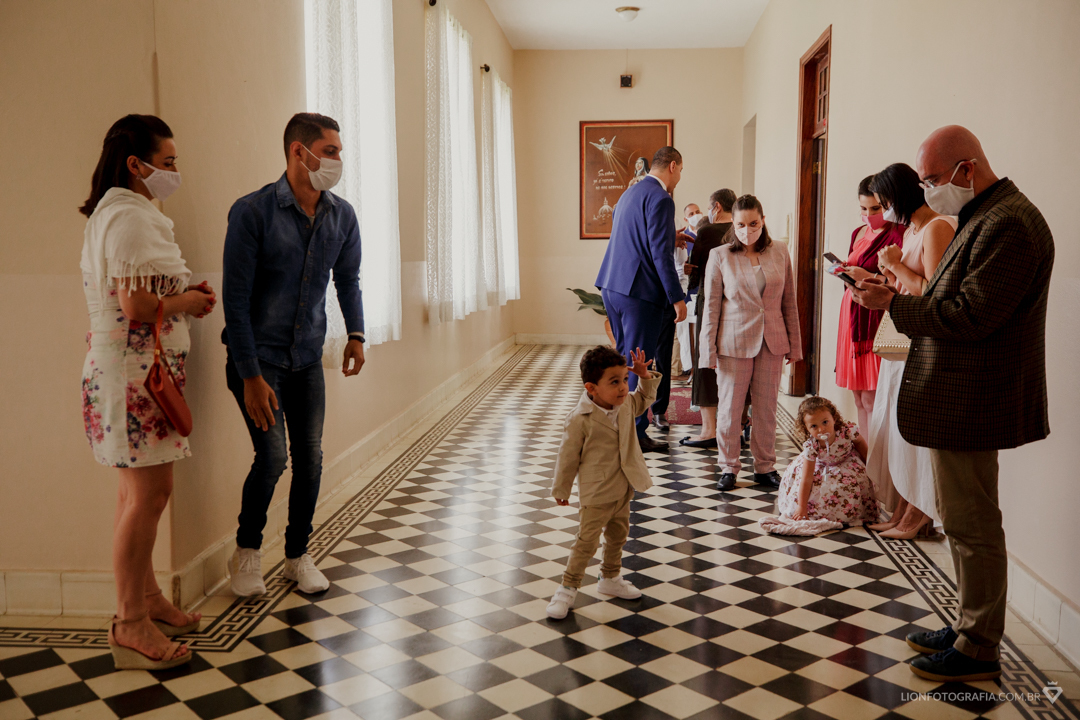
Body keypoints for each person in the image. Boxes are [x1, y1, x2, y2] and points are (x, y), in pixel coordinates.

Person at [854, 125, 1054, 682]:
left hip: (975, 396)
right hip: (957, 394)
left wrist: (892, 302)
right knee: (962, 521)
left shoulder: (1009, 223)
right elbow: (948, 295)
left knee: (973, 524)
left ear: (967, 169)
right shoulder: (982, 216)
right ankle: (969, 624)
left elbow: (970, 315)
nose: (928, 191)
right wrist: (894, 291)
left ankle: (979, 647)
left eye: (933, 179)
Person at [80, 114, 216, 670]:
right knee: (149, 497)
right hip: (134, 377)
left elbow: (137, 293)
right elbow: (136, 308)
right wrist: (187, 303)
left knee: (133, 496)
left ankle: (148, 597)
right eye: (168, 163)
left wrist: (181, 292)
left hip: (129, 373)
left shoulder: (118, 213)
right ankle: (129, 622)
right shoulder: (132, 220)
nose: (175, 171)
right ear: (137, 165)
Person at [223, 113, 366, 597]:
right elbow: (235, 300)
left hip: (306, 360)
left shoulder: (341, 215)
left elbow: (347, 280)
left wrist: (357, 334)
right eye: (330, 151)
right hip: (257, 360)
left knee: (311, 459)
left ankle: (297, 556)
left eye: (339, 151)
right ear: (297, 153)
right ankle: (246, 553)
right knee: (272, 458)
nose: (338, 160)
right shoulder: (253, 212)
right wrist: (248, 375)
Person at [861, 163, 957, 539]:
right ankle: (902, 509)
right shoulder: (914, 229)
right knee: (896, 431)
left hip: (918, 343)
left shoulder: (937, 227)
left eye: (885, 202)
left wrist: (897, 266)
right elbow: (906, 287)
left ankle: (918, 517)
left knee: (912, 433)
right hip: (900, 341)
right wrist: (882, 278)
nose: (883, 211)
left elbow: (933, 295)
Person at [546, 346, 661, 619]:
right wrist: (561, 488)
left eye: (624, 379)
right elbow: (567, 456)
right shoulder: (579, 419)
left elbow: (645, 397)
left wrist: (643, 377)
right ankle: (567, 588)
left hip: (624, 486)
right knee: (586, 542)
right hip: (596, 491)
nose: (623, 388)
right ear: (591, 387)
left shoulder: (625, 405)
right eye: (614, 382)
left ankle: (610, 578)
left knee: (618, 536)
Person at [699, 195, 802, 491]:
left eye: (753, 223)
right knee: (730, 408)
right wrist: (708, 351)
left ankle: (765, 467)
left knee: (767, 408)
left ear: (763, 220)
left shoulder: (780, 251)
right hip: (733, 342)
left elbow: (789, 302)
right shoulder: (720, 255)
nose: (747, 229)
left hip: (772, 340)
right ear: (733, 223)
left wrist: (795, 345)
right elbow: (712, 308)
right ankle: (728, 467)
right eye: (741, 224)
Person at [596, 147, 688, 453]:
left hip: (613, 284)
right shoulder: (662, 198)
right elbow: (660, 255)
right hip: (640, 292)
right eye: (680, 171)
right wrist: (677, 298)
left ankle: (614, 421)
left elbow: (634, 238)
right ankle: (634, 432)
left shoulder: (630, 193)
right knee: (639, 363)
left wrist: (667, 234)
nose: (678, 179)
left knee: (622, 360)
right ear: (673, 166)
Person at [832, 175, 905, 434]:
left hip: (874, 317)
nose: (869, 214)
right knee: (859, 399)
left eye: (876, 208)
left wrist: (868, 277)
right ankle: (864, 464)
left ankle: (876, 468)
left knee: (874, 399)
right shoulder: (858, 232)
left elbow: (901, 282)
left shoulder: (899, 234)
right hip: (851, 313)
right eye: (863, 209)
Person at [681, 188, 736, 448]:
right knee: (735, 362)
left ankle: (709, 429)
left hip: (710, 299)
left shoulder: (706, 232)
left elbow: (695, 271)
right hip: (737, 305)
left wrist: (689, 274)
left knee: (705, 359)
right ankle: (738, 425)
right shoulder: (739, 231)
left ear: (715, 206)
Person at [776, 396, 879, 524]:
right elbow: (807, 478)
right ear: (806, 429)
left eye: (825, 422)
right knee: (816, 490)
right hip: (820, 466)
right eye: (814, 426)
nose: (821, 429)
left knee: (849, 485)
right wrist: (802, 507)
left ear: (834, 419)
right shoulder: (812, 446)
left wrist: (871, 468)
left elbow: (862, 447)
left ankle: (850, 512)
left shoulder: (847, 431)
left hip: (846, 463)